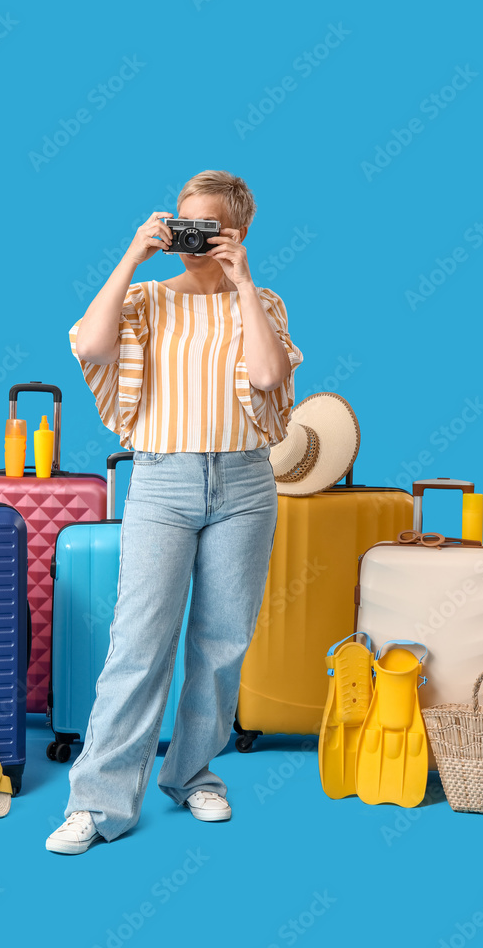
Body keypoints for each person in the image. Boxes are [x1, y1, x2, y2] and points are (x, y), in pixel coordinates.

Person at [46, 170, 303, 854]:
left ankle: (191, 774)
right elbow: (91, 346)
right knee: (138, 644)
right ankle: (97, 804)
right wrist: (132, 253)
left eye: (208, 227)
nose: (193, 239)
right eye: (185, 224)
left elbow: (270, 378)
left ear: (236, 231)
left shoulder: (264, 300)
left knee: (221, 644)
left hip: (246, 483)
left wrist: (242, 281)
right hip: (161, 482)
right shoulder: (146, 298)